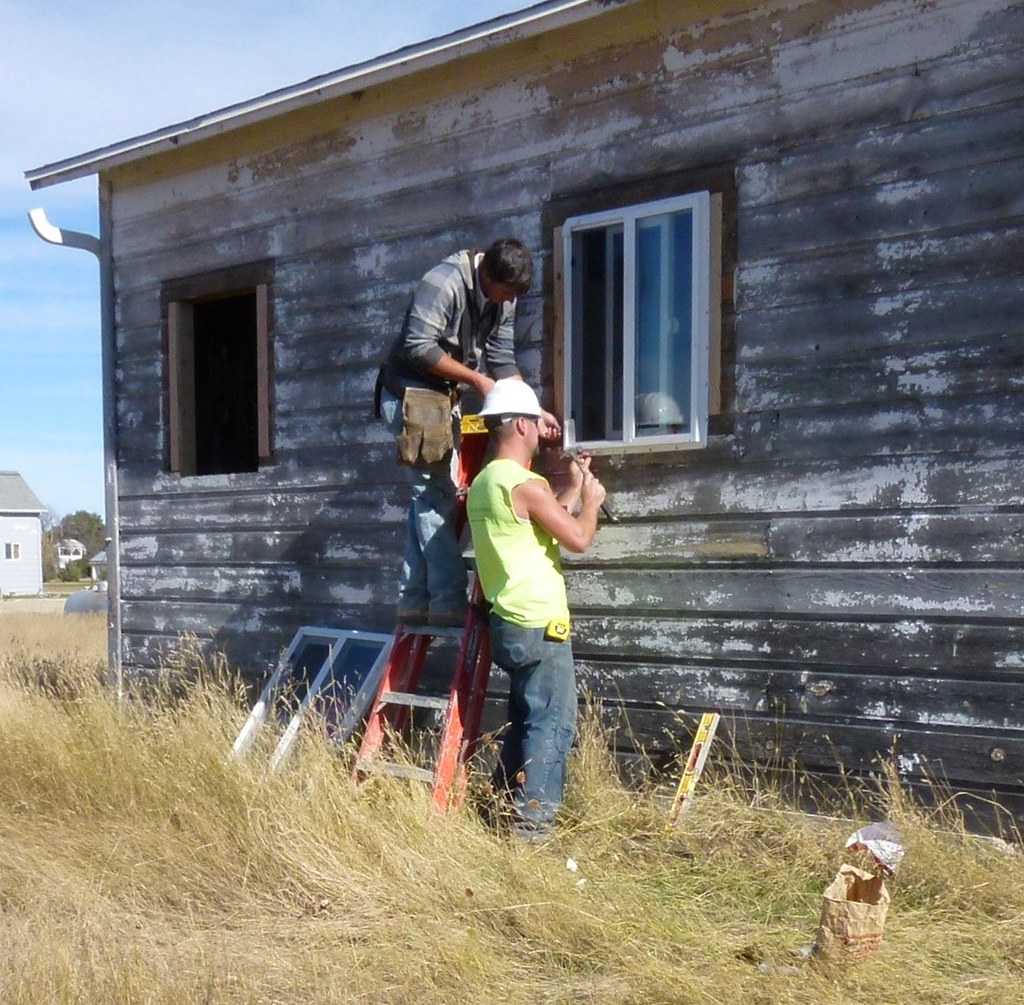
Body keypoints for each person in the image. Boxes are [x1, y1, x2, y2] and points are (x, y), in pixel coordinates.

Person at [376, 238, 560, 628]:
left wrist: (532, 407)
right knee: (433, 495)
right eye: (503, 293)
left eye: (513, 296)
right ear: (486, 275)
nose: (506, 302)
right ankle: (446, 598)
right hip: (412, 392)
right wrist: (477, 381)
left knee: (426, 496)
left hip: (444, 397)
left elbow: (503, 359)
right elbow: (416, 346)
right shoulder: (443, 282)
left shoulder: (504, 298)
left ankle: (414, 598)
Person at [466, 378, 606, 841]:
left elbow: (544, 522)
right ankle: (532, 830)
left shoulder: (487, 482)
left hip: (508, 623)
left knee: (527, 717)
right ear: (523, 425)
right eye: (537, 423)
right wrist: (592, 501)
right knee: (553, 723)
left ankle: (502, 805)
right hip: (541, 624)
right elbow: (579, 538)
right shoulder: (526, 484)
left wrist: (572, 486)